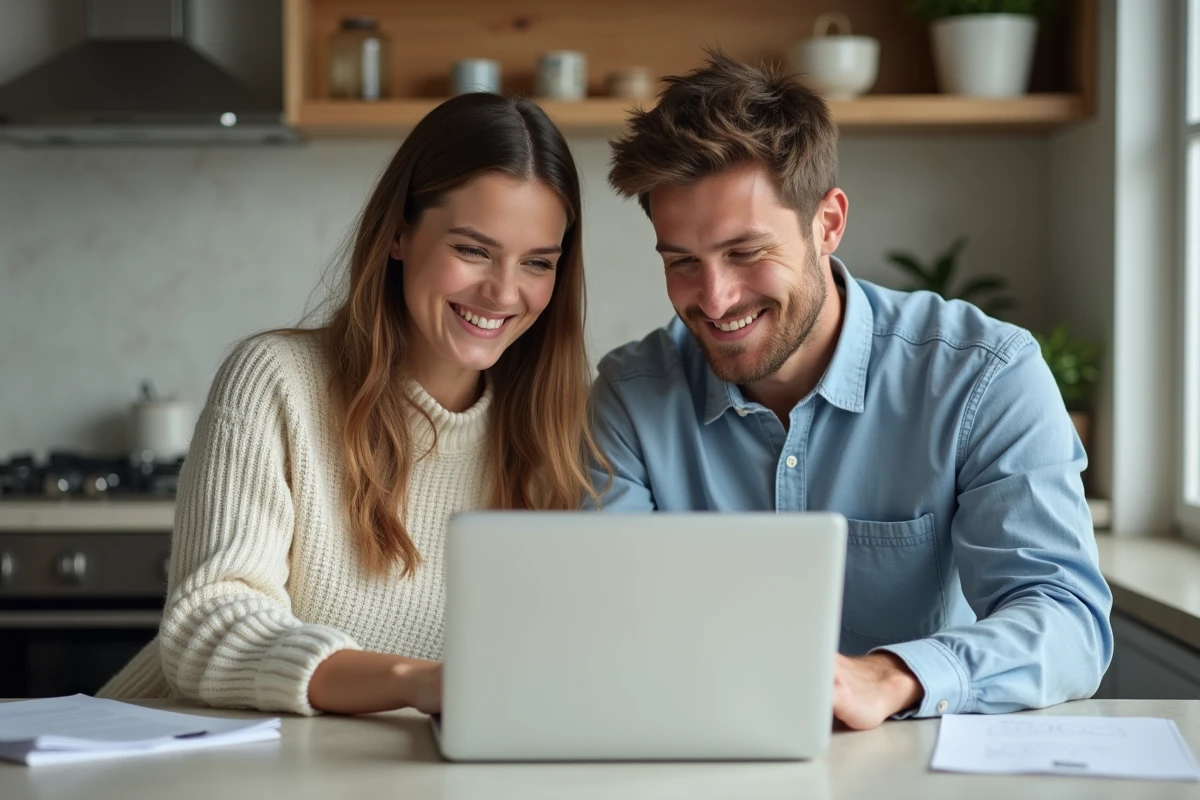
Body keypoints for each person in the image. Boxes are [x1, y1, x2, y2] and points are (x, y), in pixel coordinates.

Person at [589, 52, 1113, 731]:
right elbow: (603, 622)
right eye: (683, 262)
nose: (714, 300)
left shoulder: (985, 375)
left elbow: (1067, 620)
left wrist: (891, 676)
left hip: (911, 761)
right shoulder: (631, 396)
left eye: (746, 253)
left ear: (828, 224)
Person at [99, 92, 604, 715]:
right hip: (162, 748)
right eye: (473, 250)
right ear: (398, 234)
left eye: (537, 263)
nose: (503, 292)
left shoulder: (562, 430)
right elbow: (206, 627)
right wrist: (415, 682)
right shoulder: (277, 382)